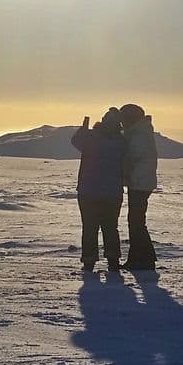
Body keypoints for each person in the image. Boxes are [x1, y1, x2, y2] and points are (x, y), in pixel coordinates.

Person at [71, 108, 126, 274]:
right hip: (112, 193)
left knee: (89, 227)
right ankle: (113, 260)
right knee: (110, 227)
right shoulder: (121, 142)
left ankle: (89, 262)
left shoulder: (92, 138)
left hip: (89, 192)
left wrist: (84, 128)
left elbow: (75, 141)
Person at [118, 103, 158, 270]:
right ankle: (143, 258)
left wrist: (129, 173)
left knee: (135, 222)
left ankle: (141, 259)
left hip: (140, 183)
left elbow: (136, 157)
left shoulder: (138, 135)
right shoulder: (140, 132)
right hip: (141, 182)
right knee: (136, 221)